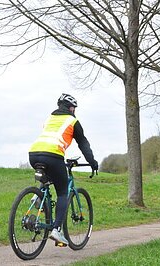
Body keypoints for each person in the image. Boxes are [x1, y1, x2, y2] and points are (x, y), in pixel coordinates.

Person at [29, 93, 98, 246]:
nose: (75, 111)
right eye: (74, 108)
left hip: (33, 154)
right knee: (62, 192)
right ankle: (56, 230)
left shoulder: (49, 118)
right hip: (53, 155)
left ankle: (38, 196)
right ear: (70, 108)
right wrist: (92, 162)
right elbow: (83, 144)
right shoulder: (72, 121)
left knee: (50, 177)